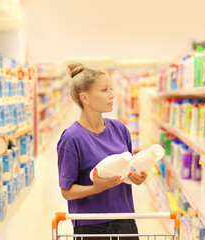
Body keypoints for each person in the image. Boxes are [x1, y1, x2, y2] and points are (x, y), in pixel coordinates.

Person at [57, 62, 148, 240]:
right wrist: (95, 188)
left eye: (111, 89)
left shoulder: (120, 129)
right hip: (92, 226)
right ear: (85, 98)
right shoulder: (71, 138)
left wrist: (136, 176)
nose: (112, 95)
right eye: (104, 90)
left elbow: (126, 170)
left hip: (126, 219)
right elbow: (66, 191)